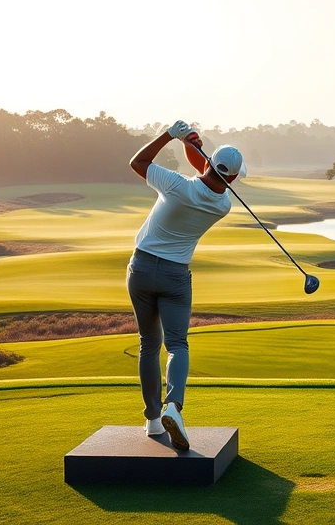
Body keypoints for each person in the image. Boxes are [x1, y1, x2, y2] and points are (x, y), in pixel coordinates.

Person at [127, 120, 244, 450]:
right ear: (233, 178)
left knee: (149, 344)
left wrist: (171, 136)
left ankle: (152, 420)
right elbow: (211, 176)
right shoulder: (223, 204)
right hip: (176, 277)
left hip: (141, 267)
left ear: (209, 163)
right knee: (177, 344)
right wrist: (191, 145)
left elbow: (138, 163)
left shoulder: (176, 185)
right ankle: (173, 408)